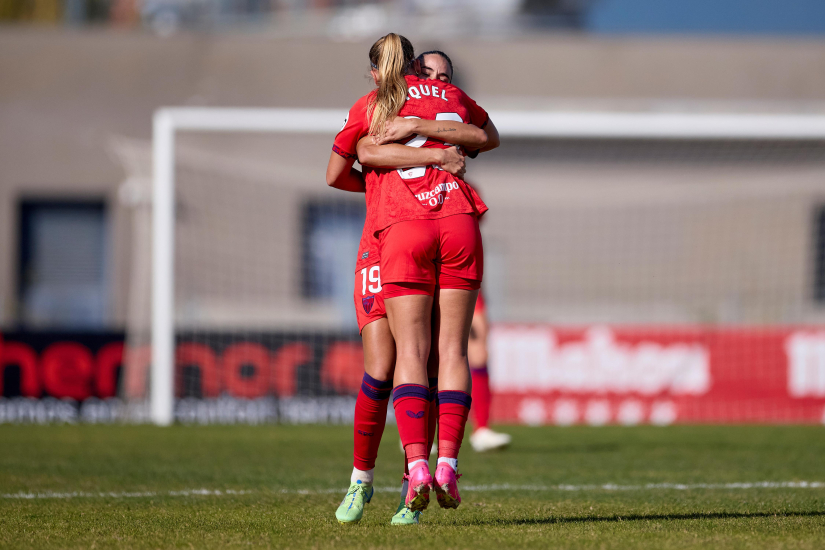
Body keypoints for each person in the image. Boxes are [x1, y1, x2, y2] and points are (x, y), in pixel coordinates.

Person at [326, 36, 495, 525]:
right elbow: (345, 166)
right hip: (385, 240)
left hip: (415, 230)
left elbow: (480, 137)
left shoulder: (426, 111)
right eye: (431, 75)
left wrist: (426, 146)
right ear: (386, 73)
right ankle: (363, 479)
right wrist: (432, 158)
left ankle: (412, 486)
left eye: (447, 77)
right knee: (384, 364)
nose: (439, 84)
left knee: (422, 357)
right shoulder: (378, 108)